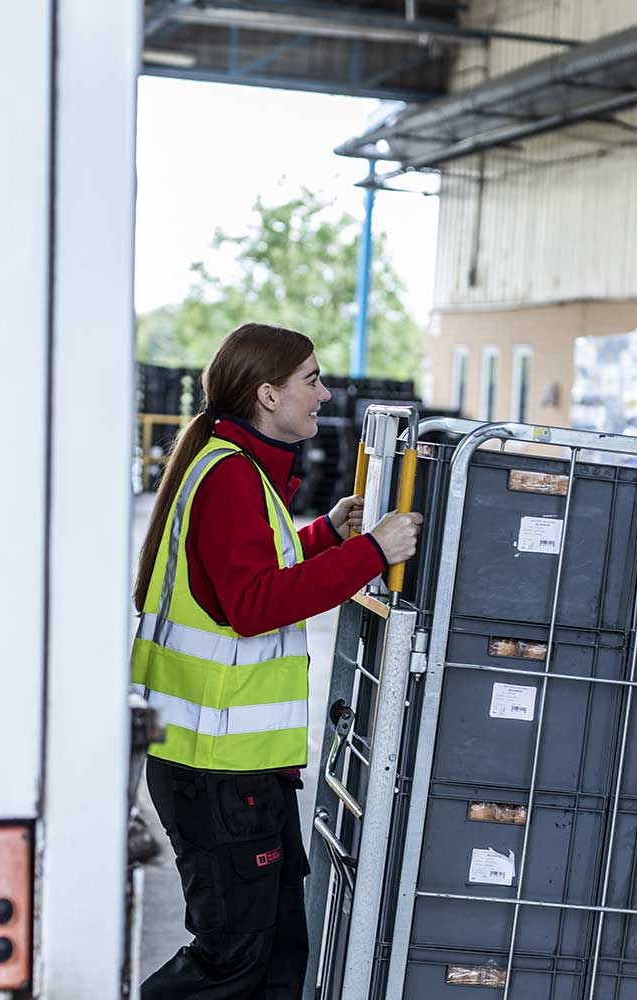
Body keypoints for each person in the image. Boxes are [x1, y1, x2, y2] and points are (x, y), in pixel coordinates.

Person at [132, 322, 421, 999]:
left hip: (235, 771)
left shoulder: (235, 469)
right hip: (220, 773)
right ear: (268, 393)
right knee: (234, 961)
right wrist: (372, 551)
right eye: (311, 380)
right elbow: (254, 604)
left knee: (275, 955)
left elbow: (252, 570)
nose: (324, 394)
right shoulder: (230, 476)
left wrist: (328, 534)